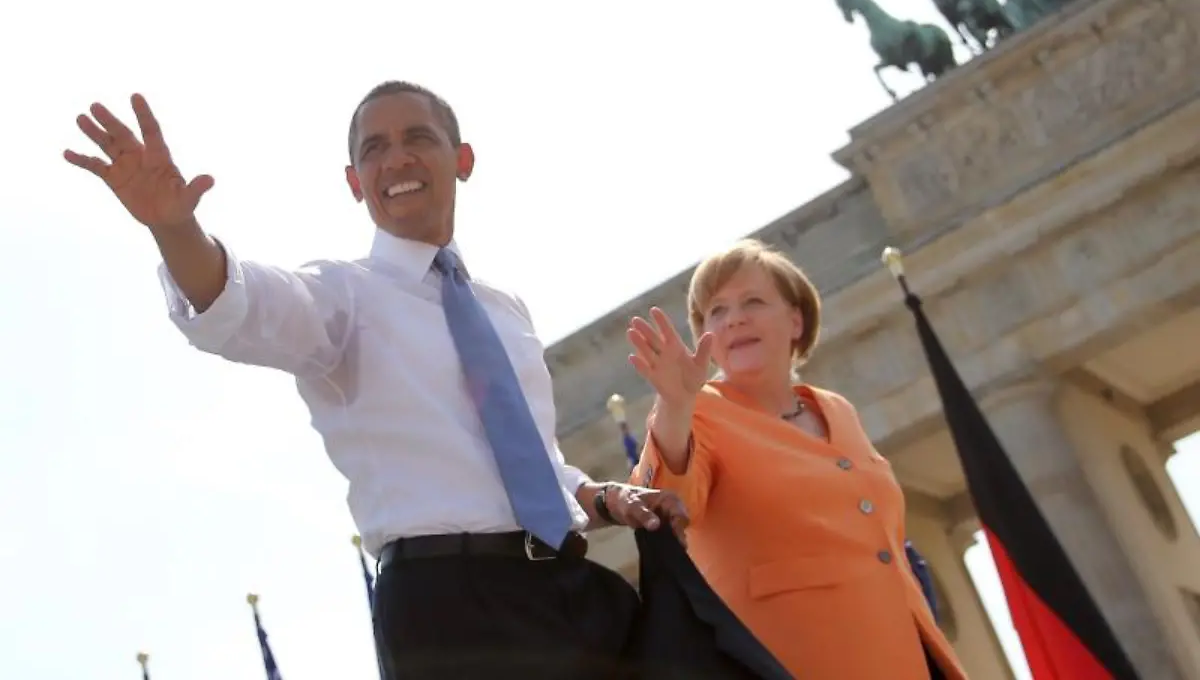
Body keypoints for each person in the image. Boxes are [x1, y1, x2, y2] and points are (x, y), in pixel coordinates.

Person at [64, 84, 693, 679]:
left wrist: (605, 498)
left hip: (572, 588)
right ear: (354, 183)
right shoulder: (342, 297)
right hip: (451, 611)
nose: (396, 158)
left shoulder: (505, 311)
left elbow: (535, 465)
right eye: (374, 149)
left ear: (463, 159)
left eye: (416, 137)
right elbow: (238, 305)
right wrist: (174, 229)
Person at [626, 239, 969, 680]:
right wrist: (674, 405)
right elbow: (664, 501)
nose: (735, 319)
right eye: (716, 312)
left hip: (909, 655)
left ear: (795, 319)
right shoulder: (697, 410)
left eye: (753, 301)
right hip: (797, 662)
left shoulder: (837, 409)